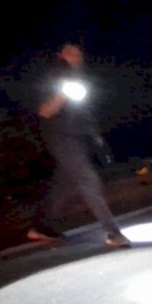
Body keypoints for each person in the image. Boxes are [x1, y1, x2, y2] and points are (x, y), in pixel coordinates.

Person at [27, 43, 130, 248]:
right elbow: (45, 111)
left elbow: (84, 112)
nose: (75, 57)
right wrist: (63, 94)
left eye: (78, 54)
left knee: (63, 186)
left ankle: (40, 227)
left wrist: (96, 136)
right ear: (60, 55)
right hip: (61, 137)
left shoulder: (79, 79)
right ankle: (113, 233)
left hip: (80, 138)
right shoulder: (52, 78)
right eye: (70, 54)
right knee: (87, 180)